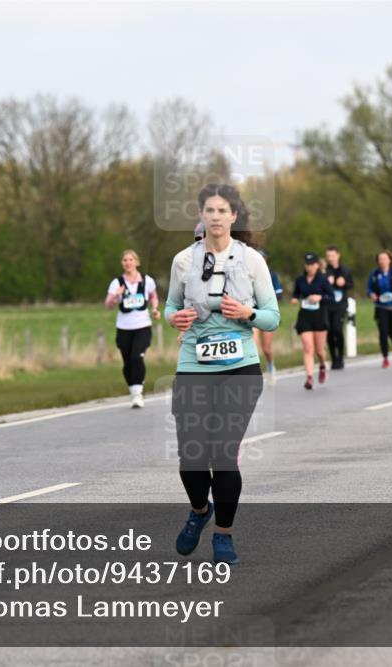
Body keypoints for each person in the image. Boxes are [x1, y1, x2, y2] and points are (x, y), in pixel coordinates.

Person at [165, 184, 279, 565]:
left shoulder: (252, 261)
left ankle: (224, 536)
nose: (215, 216)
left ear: (233, 216)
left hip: (240, 368)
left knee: (223, 455)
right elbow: (170, 307)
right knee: (191, 457)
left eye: (222, 210)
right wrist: (173, 318)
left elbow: (273, 317)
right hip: (194, 366)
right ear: (201, 216)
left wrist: (247, 315)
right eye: (208, 210)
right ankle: (200, 511)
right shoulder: (183, 260)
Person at [105, 250, 160, 408]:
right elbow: (108, 305)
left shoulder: (147, 281)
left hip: (142, 326)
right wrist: (116, 295)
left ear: (137, 262)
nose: (128, 263)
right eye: (124, 260)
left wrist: (155, 309)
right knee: (128, 362)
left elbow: (153, 296)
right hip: (124, 328)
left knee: (137, 357)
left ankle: (138, 393)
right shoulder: (117, 283)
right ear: (122, 263)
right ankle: (133, 390)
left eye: (130, 259)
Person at [292, 253, 336, 390]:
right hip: (305, 316)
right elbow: (296, 294)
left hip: (319, 316)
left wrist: (320, 298)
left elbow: (332, 297)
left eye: (312, 264)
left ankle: (322, 364)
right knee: (307, 347)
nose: (309, 267)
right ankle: (309, 378)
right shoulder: (300, 280)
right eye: (307, 264)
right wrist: (294, 299)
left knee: (319, 350)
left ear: (317, 265)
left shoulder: (322, 280)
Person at [251, 249, 282, 385]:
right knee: (253, 345)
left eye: (262, 258)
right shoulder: (248, 274)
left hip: (267, 314)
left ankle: (271, 366)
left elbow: (279, 294)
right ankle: (254, 373)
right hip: (252, 314)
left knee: (267, 348)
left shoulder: (271, 274)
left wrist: (265, 296)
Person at [324, 246, 354, 369]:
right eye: (328, 256)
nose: (330, 258)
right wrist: (327, 282)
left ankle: (340, 358)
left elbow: (351, 284)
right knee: (330, 333)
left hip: (340, 305)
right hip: (327, 305)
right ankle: (334, 359)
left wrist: (344, 283)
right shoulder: (324, 270)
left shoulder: (345, 270)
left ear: (338, 255)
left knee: (338, 329)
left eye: (332, 255)